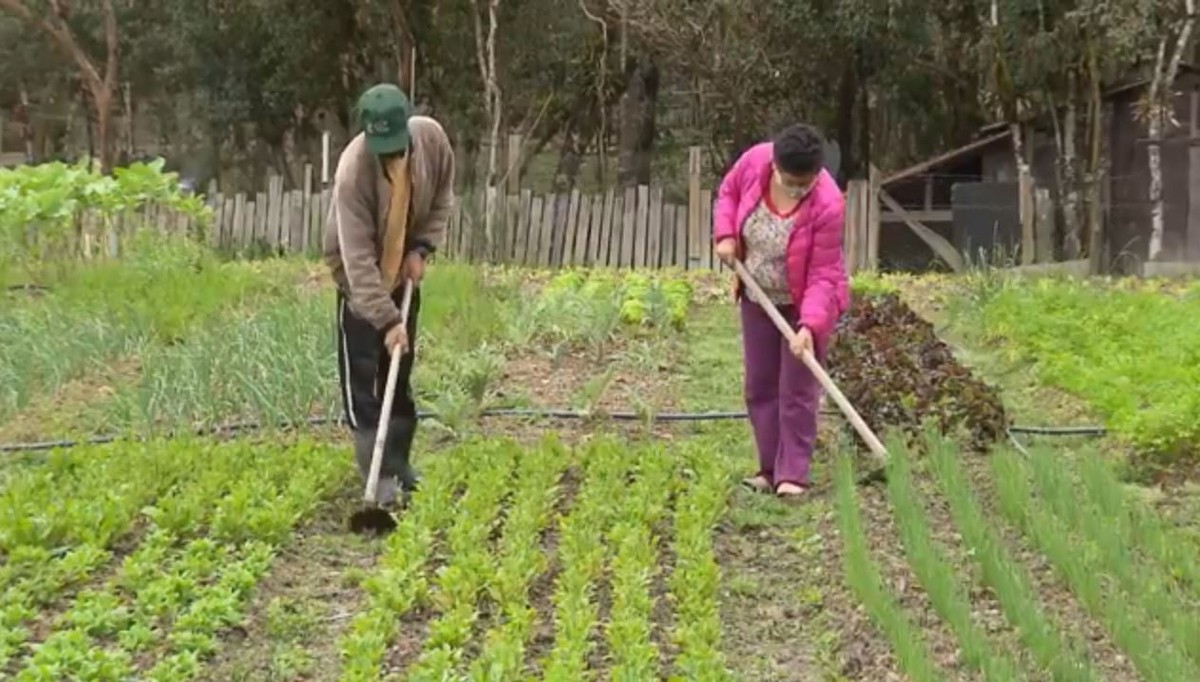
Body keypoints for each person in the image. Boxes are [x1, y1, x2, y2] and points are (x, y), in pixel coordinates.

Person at [323, 83, 455, 505]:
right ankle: (377, 480)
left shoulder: (431, 141)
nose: (392, 156)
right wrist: (386, 320)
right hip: (360, 286)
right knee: (364, 385)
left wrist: (421, 248)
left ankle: (400, 465)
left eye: (398, 147)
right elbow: (357, 260)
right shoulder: (353, 172)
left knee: (399, 376)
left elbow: (442, 200)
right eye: (383, 148)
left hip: (403, 276)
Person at [712, 123, 850, 498]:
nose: (797, 190)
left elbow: (824, 273)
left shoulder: (828, 203)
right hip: (757, 294)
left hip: (802, 300)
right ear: (774, 165)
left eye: (804, 184)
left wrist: (809, 326)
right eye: (790, 182)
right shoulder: (754, 162)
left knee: (798, 387)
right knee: (760, 383)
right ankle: (768, 468)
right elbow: (727, 194)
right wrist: (725, 235)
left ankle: (793, 473)